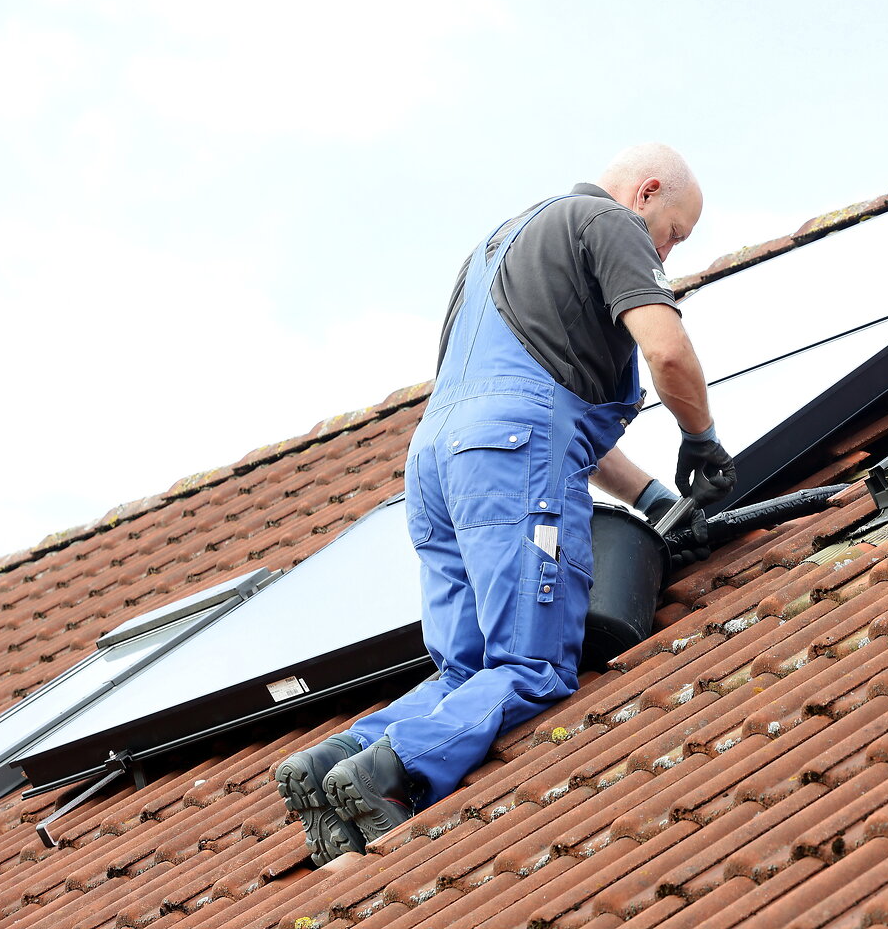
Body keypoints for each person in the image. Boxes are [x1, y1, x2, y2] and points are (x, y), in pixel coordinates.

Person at [275, 143, 735, 864]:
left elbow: (541, 416)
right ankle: (388, 775)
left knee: (467, 673)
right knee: (534, 666)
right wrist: (702, 442)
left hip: (436, 469)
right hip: (509, 457)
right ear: (647, 194)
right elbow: (665, 351)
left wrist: (652, 496)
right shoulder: (607, 224)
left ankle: (339, 757)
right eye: (674, 234)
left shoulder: (496, 248)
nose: (668, 255)